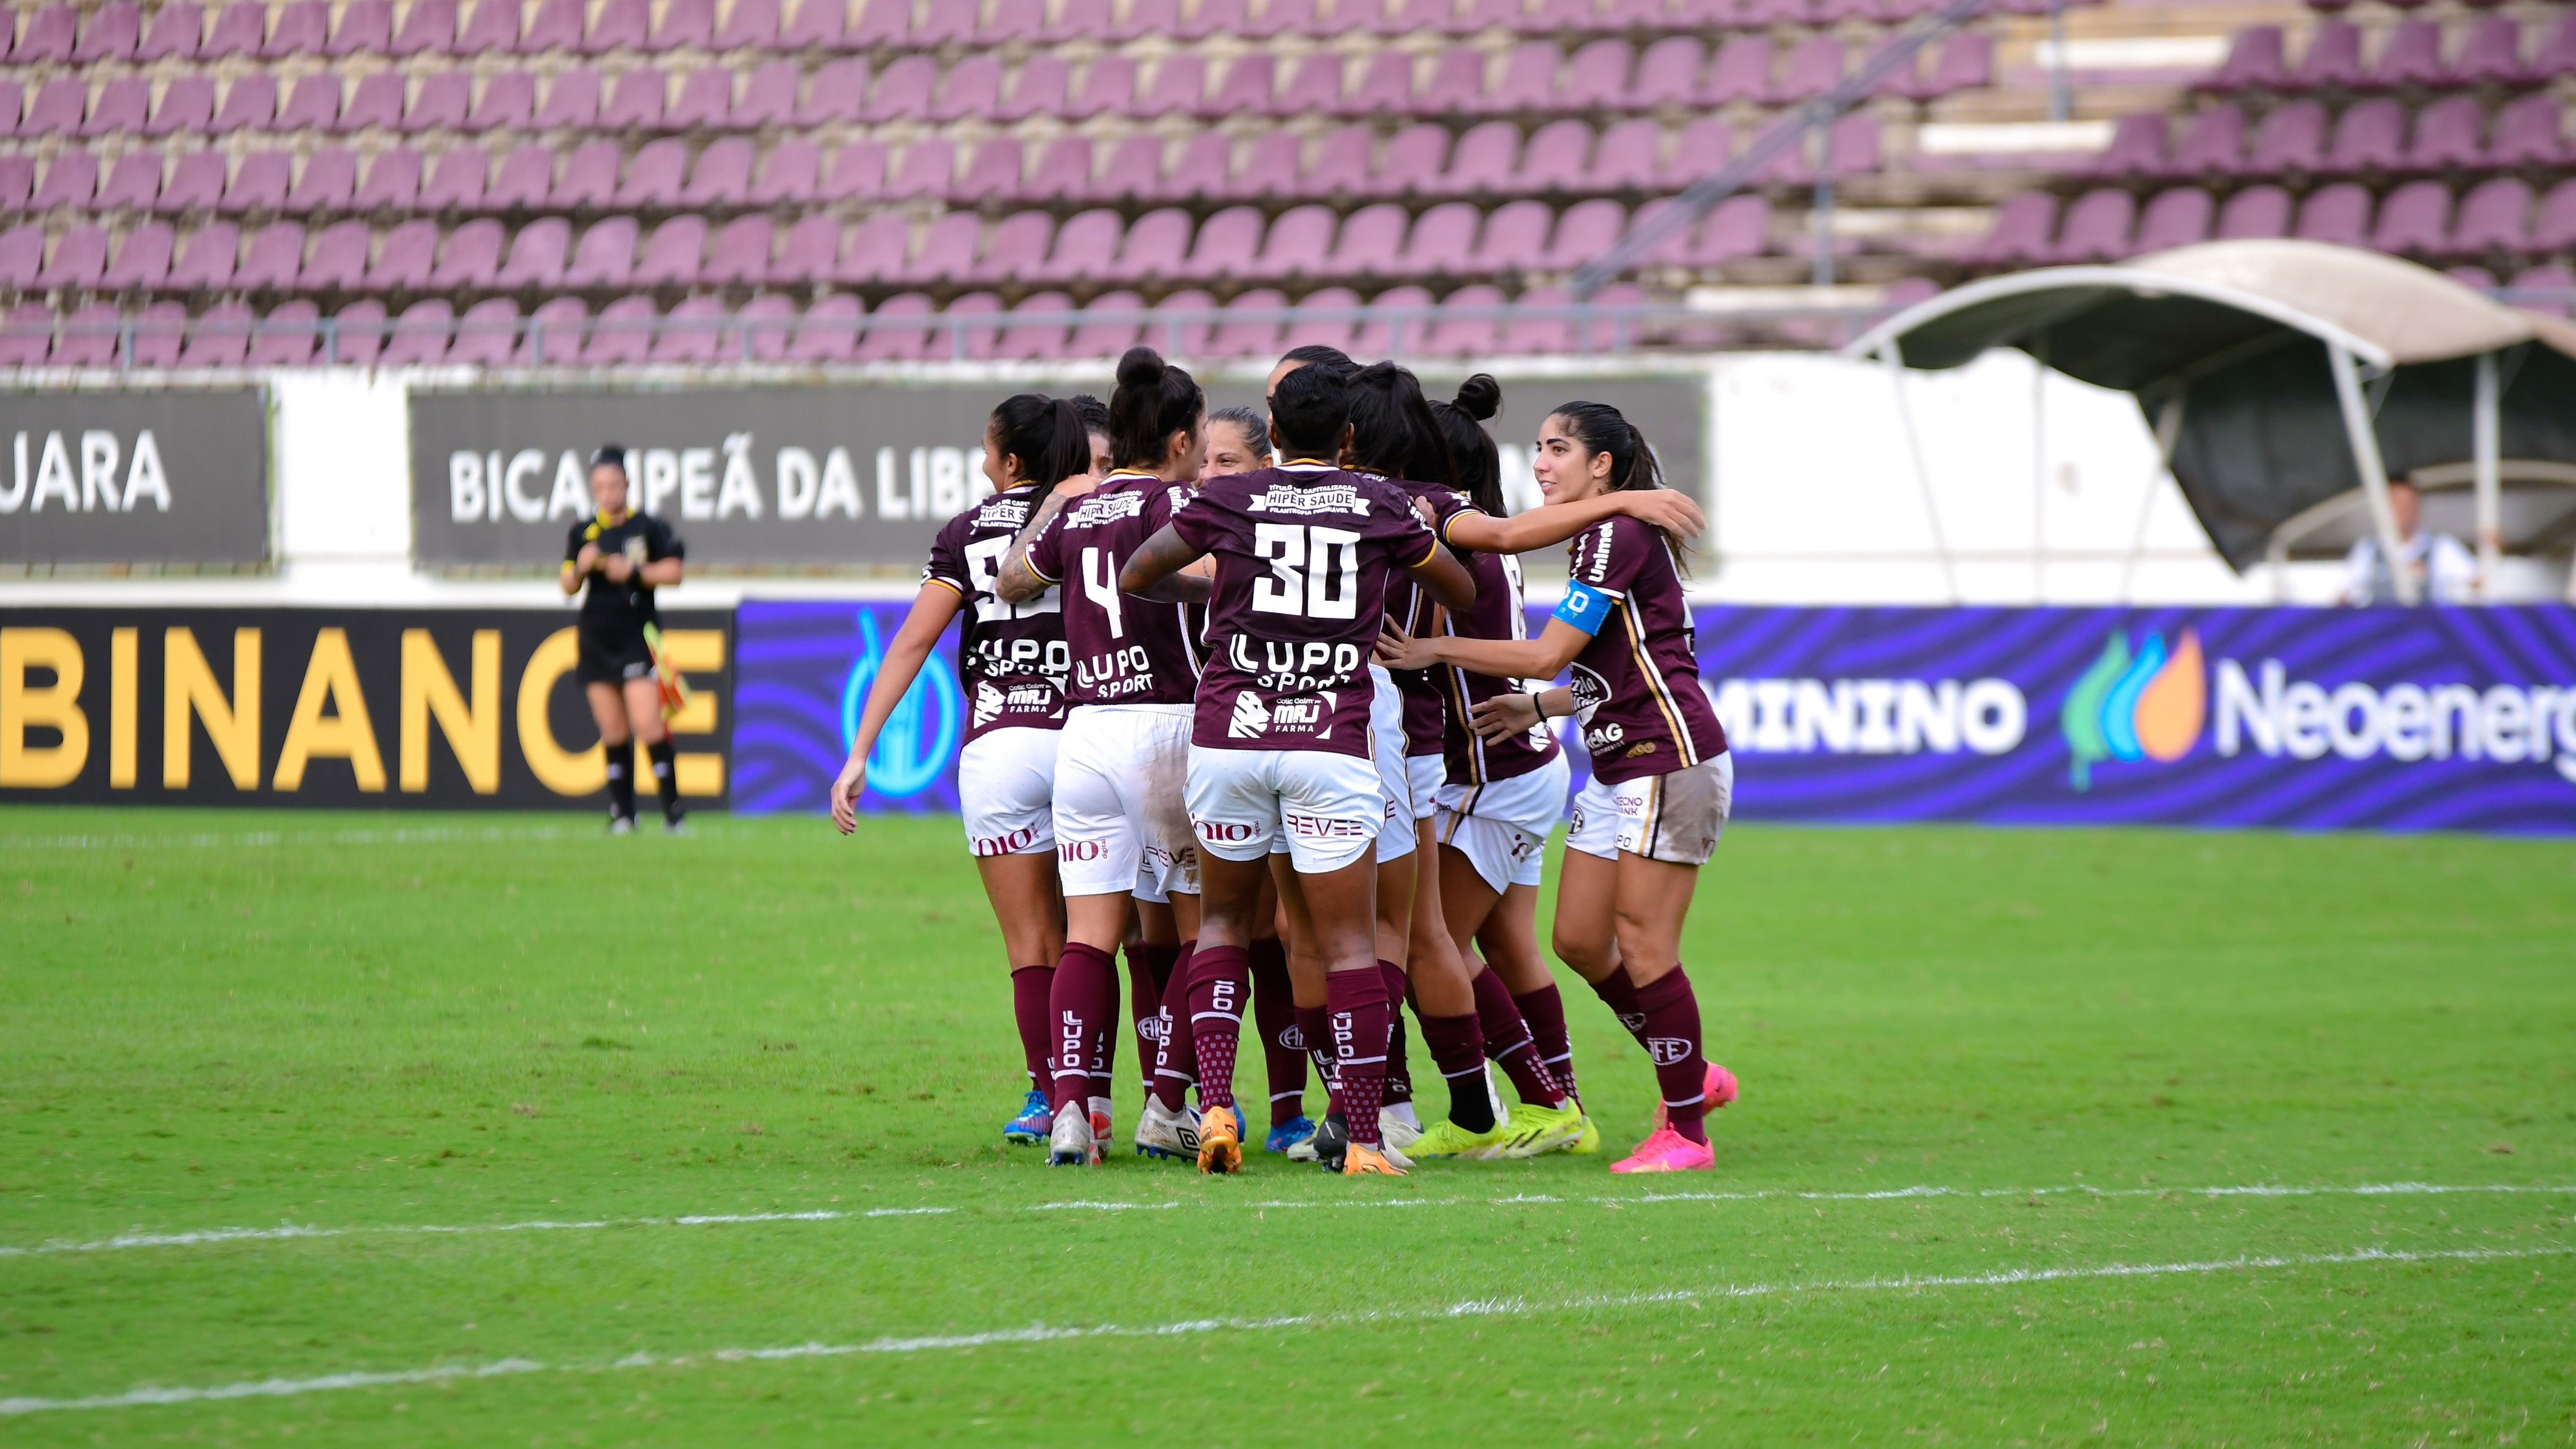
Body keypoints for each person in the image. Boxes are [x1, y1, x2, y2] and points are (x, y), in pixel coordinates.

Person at [1122, 354, 1476, 1177]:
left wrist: (1224, 596)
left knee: (1219, 924)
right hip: (1329, 737)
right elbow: (1458, 588)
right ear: (1348, 434)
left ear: (1272, 433)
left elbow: (1140, 571)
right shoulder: (1378, 502)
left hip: (1231, 732)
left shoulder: (1229, 496)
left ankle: (1212, 1105)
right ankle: (1359, 1137)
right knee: (1350, 939)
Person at [1375, 401, 1737, 1174]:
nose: (1540, 462)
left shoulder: (1615, 533)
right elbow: (1613, 665)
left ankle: (1685, 1130)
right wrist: (1536, 705)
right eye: (1537, 447)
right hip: (1616, 763)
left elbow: (1547, 653)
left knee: (1644, 944)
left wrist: (1436, 646)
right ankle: (1693, 1073)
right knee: (1576, 938)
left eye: (1558, 448)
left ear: (1601, 465)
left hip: (1666, 759)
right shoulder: (1601, 534)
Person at [830, 394, 1093, 1148]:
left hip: (1002, 747)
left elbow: (912, 645)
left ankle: (1050, 1100)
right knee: (1100, 935)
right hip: (1087, 738)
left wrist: (860, 753)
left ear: (1010, 461)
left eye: (986, 448)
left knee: (1032, 943)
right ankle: (1113, 1095)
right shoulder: (1089, 517)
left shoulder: (966, 534)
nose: (981, 461)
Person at [995, 352, 1210, 1166]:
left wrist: (1056, 499)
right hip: (1168, 727)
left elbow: (1014, 580)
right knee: (1202, 928)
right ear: (1183, 438)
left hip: (1084, 729)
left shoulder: (1077, 509)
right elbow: (1218, 579)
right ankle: (1165, 1103)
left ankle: (1072, 1115)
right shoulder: (1182, 502)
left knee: (1086, 934)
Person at [1203, 404, 1317, 1157]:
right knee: (1231, 930)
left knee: (1270, 932)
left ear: (1266, 466)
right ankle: (1207, 1103)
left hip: (1234, 738)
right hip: (1213, 742)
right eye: (1206, 461)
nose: (1213, 476)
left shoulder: (1239, 529)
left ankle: (1281, 1110)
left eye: (1229, 464)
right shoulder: (1207, 520)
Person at [560, 445, 688, 836]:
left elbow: (674, 571)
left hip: (636, 636)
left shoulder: (647, 527)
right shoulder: (584, 532)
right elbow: (567, 583)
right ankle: (624, 815)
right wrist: (581, 568)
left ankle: (673, 813)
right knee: (613, 730)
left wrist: (632, 570)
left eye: (614, 485)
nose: (608, 493)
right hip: (596, 637)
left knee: (648, 723)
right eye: (600, 486)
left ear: (627, 484)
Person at [2341, 479, 2477, 605]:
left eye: (2410, 503)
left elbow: (2479, 584)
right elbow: (2346, 596)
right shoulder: (2368, 549)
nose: (2405, 509)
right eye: (2397, 503)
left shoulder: (2442, 547)